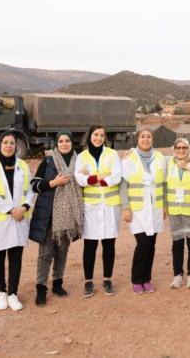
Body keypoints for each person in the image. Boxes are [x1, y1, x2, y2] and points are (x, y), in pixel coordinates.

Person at [29, 130, 84, 306]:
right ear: (56, 143)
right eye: (61, 141)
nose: (64, 143)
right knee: (45, 253)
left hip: (69, 217)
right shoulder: (48, 161)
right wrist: (54, 183)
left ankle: (57, 283)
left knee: (62, 252)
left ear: (72, 143)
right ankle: (41, 288)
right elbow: (34, 185)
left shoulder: (79, 162)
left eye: (67, 140)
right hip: (49, 215)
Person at [0, 130, 34, 311]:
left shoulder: (23, 166)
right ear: (0, 145)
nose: (9, 146)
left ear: (16, 145)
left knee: (16, 257)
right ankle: (1, 292)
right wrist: (11, 210)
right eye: (6, 143)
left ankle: (13, 294)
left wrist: (25, 207)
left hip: (18, 219)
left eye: (12, 143)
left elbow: (31, 190)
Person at [75, 125, 122, 298]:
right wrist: (100, 176)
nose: (99, 138)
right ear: (90, 136)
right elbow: (80, 179)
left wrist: (95, 181)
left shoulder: (112, 154)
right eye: (96, 134)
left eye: (102, 135)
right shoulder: (82, 157)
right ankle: (88, 281)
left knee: (109, 244)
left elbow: (116, 176)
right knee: (90, 244)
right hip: (91, 207)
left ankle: (107, 279)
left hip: (110, 205)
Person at [121, 127, 167, 294]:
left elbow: (164, 183)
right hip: (137, 209)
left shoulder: (160, 158)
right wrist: (126, 207)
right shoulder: (129, 158)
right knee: (143, 244)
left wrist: (165, 206)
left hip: (155, 208)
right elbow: (123, 184)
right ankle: (136, 279)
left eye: (148, 137)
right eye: (142, 136)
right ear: (137, 139)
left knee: (152, 245)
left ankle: (147, 279)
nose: (146, 139)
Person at [165, 137, 190, 289]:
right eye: (178, 147)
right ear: (174, 149)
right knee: (177, 244)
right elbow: (149, 155)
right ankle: (177, 275)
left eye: (184, 147)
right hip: (175, 211)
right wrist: (131, 151)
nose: (181, 150)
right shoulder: (168, 163)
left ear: (188, 149)